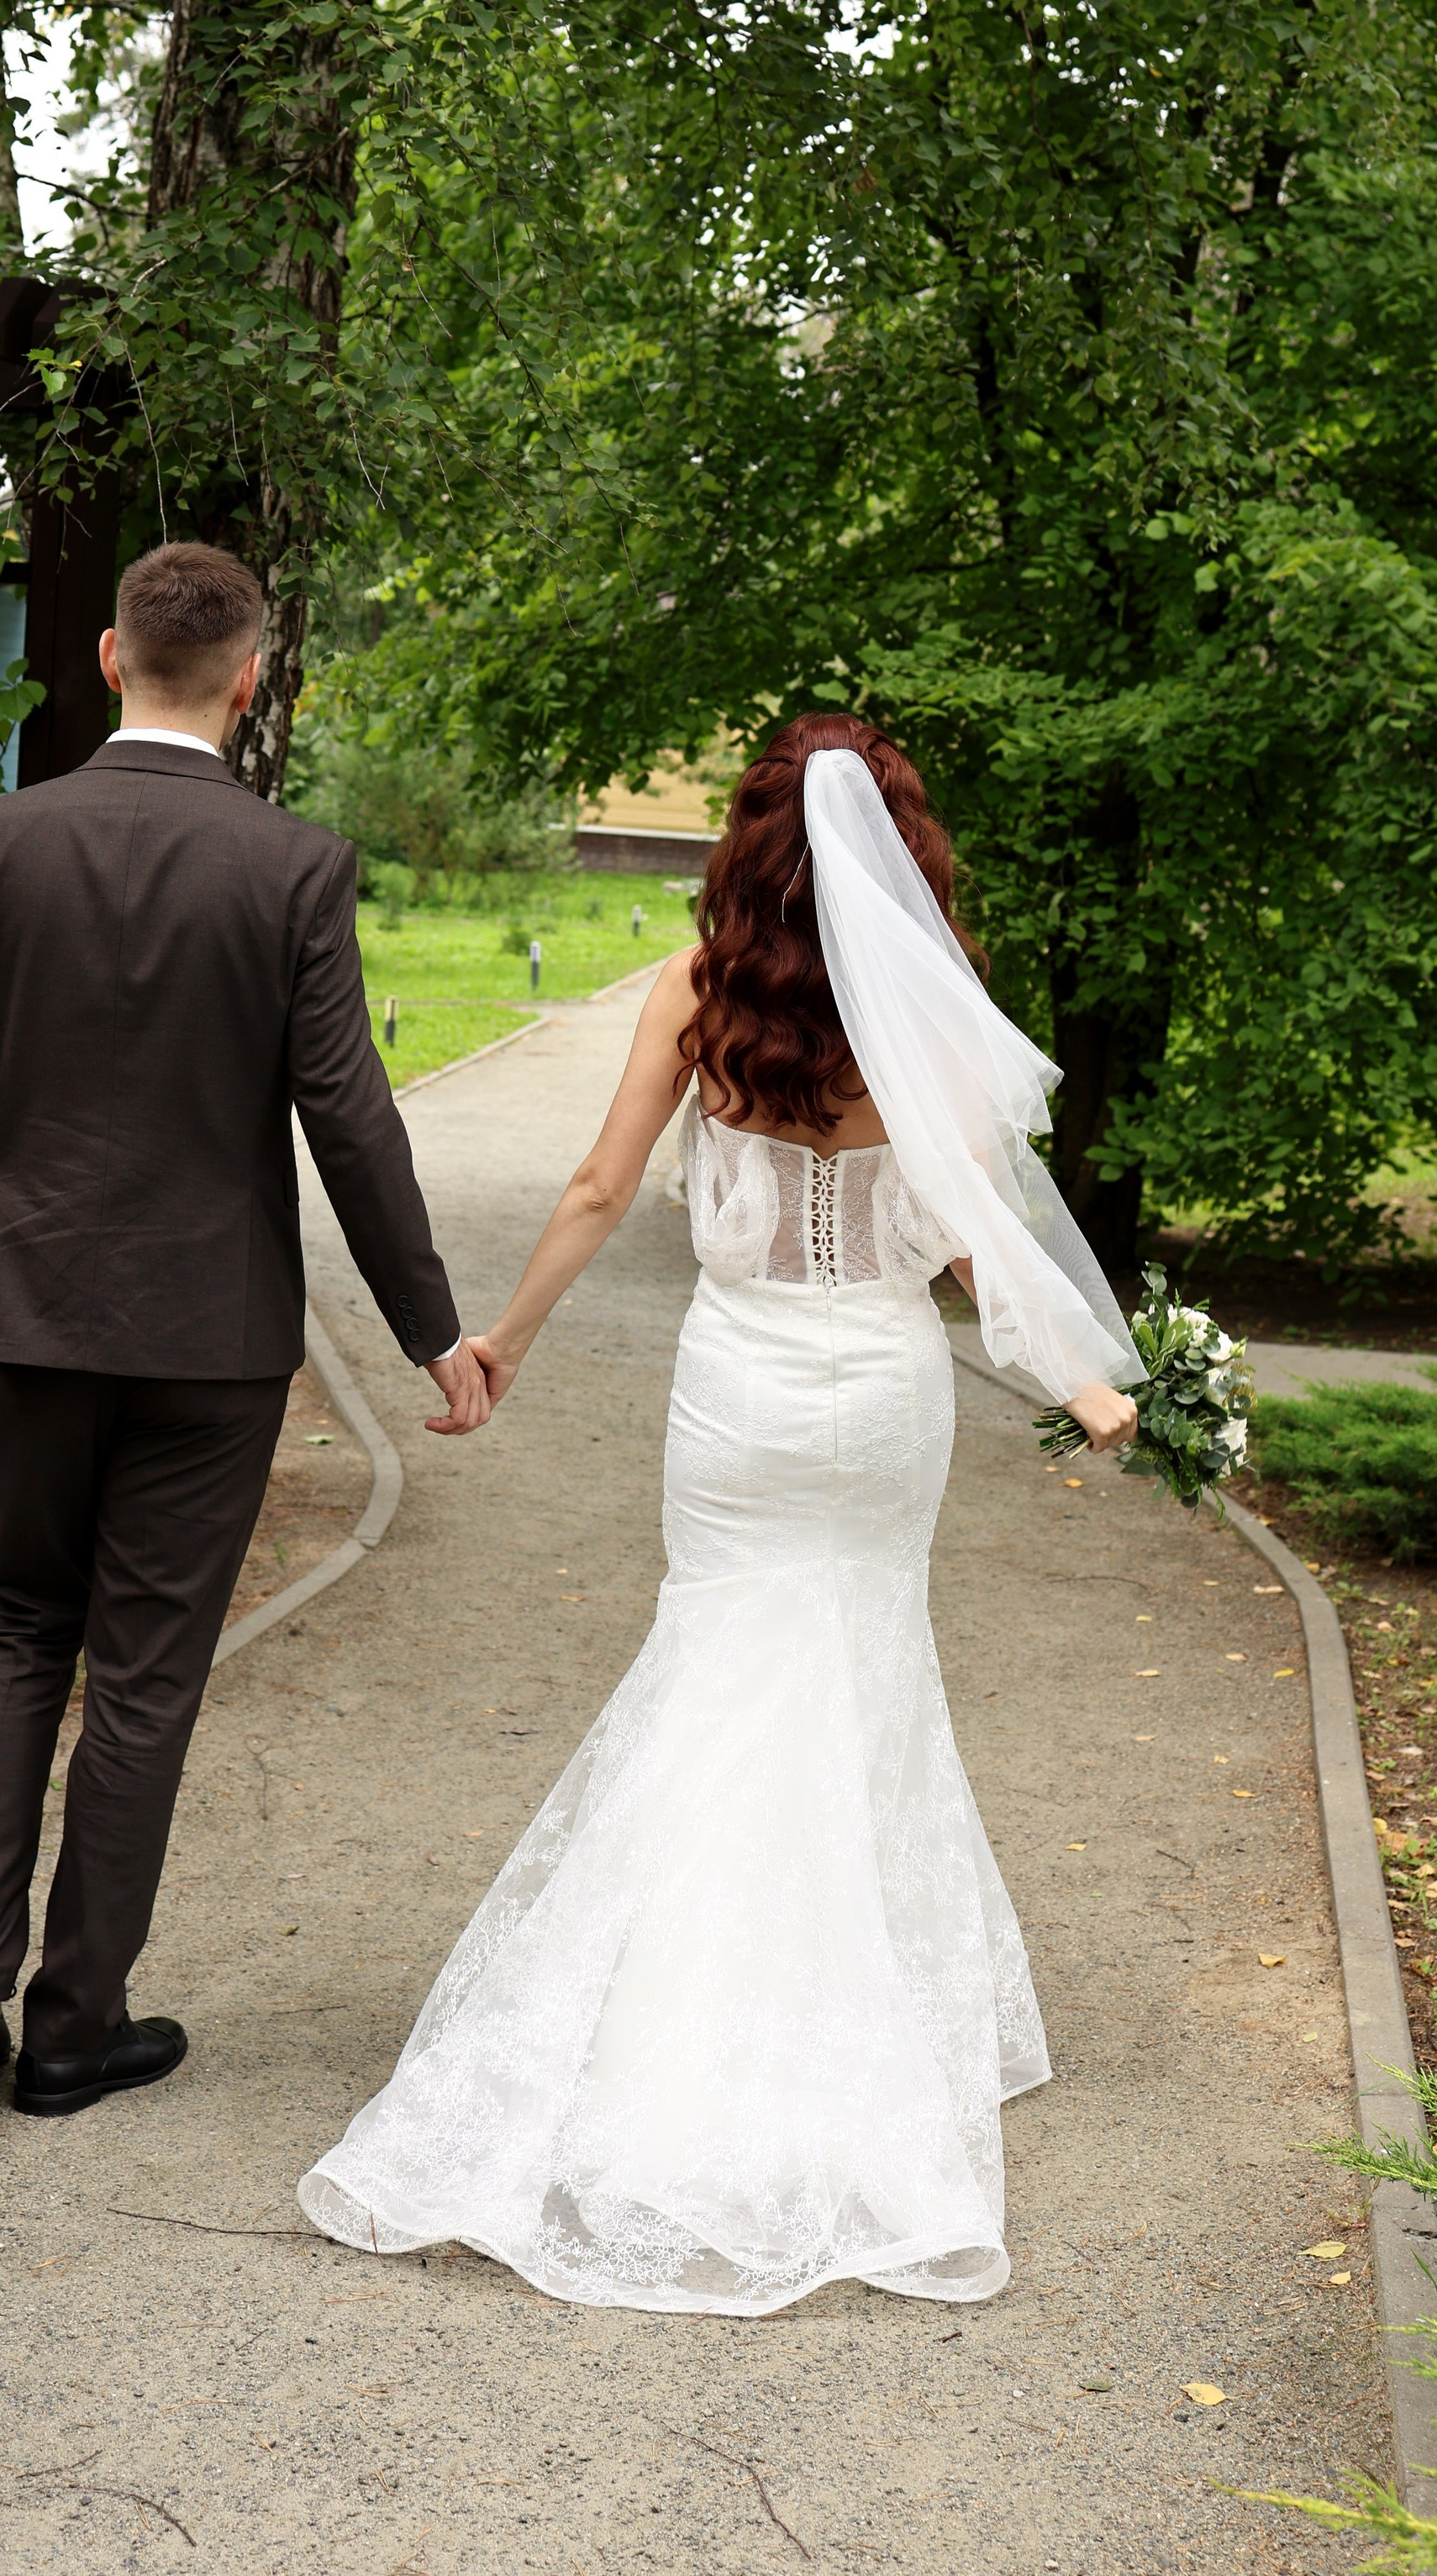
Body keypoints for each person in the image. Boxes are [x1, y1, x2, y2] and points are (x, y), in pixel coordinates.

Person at [298, 714, 1140, 2312]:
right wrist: (1091, 1389)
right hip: (883, 1402)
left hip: (738, 1396)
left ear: (750, 845)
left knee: (723, 1664)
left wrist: (504, 1347)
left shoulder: (697, 996)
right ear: (904, 857)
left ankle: (666, 2016)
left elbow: (603, 1191)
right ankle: (869, 2012)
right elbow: (982, 1242)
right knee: (866, 1661)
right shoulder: (928, 1020)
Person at [0, 541, 488, 2118]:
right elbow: (351, 1122)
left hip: (34, 1315)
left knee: (16, 1632)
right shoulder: (291, 869)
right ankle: (73, 2029)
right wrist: (432, 1332)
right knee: (142, 1676)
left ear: (106, 657)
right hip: (210, 1344)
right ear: (253, 680)